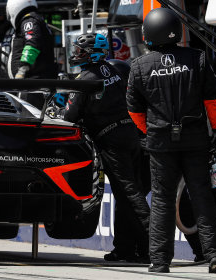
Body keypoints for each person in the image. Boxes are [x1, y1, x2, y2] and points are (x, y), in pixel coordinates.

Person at [126, 7, 216, 274]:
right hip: (195, 141)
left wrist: (149, 131)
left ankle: (159, 262)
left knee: (161, 200)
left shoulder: (139, 67)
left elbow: (134, 110)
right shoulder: (199, 59)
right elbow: (213, 102)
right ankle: (215, 256)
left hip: (160, 144)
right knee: (202, 196)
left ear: (148, 33)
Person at [63, 34, 150, 263]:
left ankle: (156, 246)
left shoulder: (84, 79)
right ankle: (127, 249)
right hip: (131, 134)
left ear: (93, 52)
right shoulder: (114, 70)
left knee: (130, 194)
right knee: (126, 194)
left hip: (111, 140)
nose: (76, 54)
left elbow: (69, 116)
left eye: (81, 50)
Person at [6, 0, 57, 107]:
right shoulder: (35, 20)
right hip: (34, 84)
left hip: (30, 85)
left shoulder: (29, 20)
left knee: (26, 119)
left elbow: (33, 43)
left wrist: (23, 69)